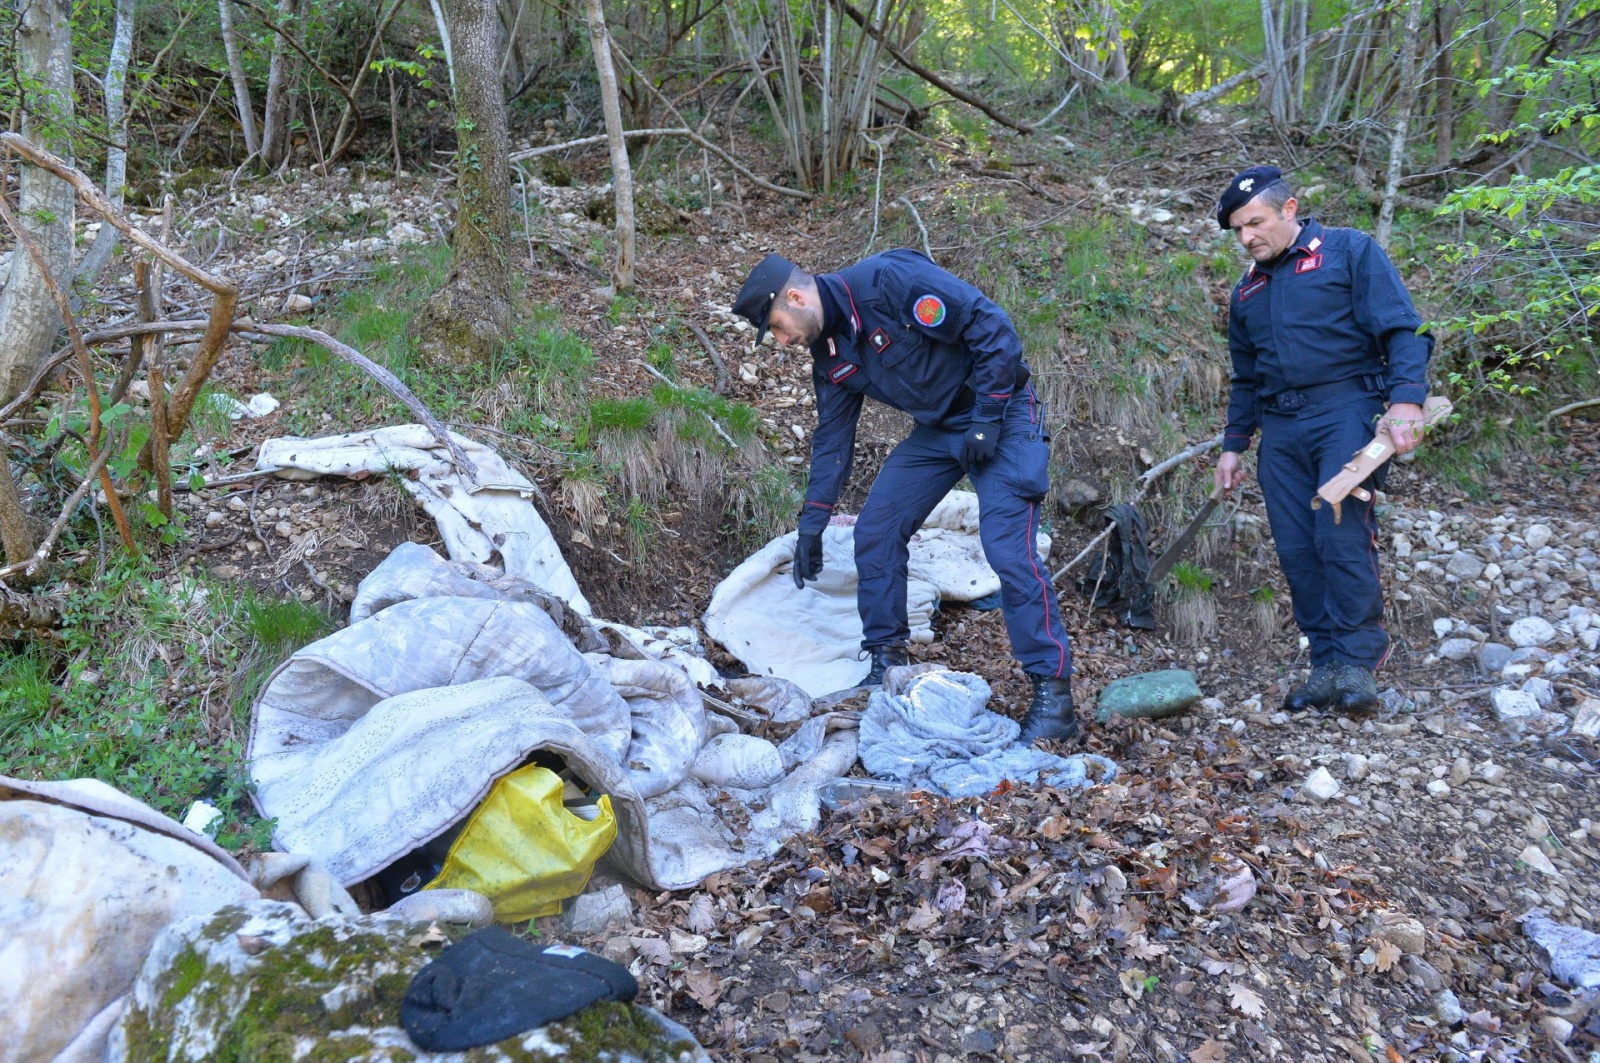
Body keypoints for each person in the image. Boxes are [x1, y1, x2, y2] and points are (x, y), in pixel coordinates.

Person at [732, 250, 1078, 742]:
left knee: (1007, 548)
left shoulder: (889, 282)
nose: (784, 341)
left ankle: (1054, 698)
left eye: (779, 327)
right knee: (875, 531)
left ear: (795, 296)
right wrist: (813, 521)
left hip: (1001, 413)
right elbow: (833, 439)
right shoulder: (829, 355)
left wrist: (987, 416)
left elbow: (991, 325)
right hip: (940, 430)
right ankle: (886, 666)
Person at [1213, 166, 1433, 713]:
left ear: (1290, 209)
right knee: (1296, 546)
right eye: (1238, 230)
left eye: (1255, 223)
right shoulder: (1248, 290)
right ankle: (1325, 664)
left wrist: (1406, 400)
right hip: (1281, 428)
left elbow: (1404, 329)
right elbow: (1246, 376)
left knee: (1339, 534)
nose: (1247, 238)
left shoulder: (1349, 252)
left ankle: (1358, 664)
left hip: (1347, 411)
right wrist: (1233, 445)